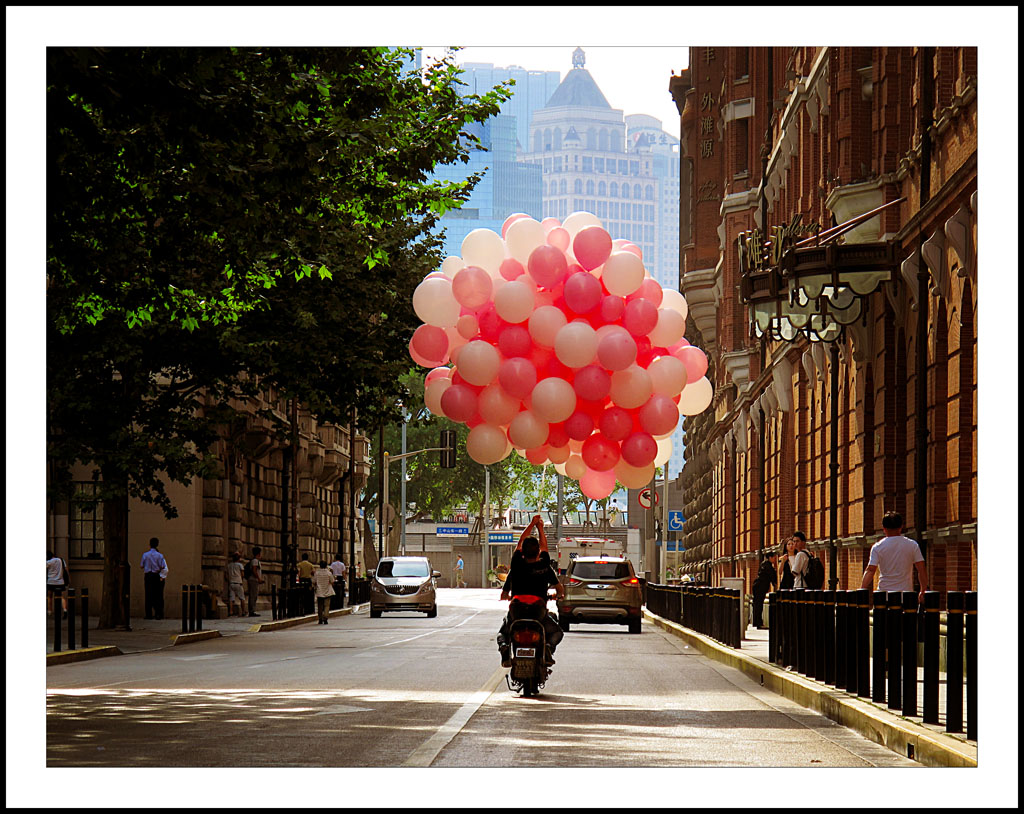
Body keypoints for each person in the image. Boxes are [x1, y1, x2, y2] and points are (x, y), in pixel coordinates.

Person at [497, 516, 564, 668]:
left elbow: (520, 541)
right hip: (537, 610)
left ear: (522, 552)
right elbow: (545, 546)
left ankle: (505, 649)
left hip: (517, 609)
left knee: (504, 632)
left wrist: (532, 524)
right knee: (556, 632)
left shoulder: (517, 564)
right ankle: (548, 648)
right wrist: (540, 528)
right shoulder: (544, 565)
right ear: (538, 552)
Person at [860, 511, 927, 603]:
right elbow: (921, 569)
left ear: (884, 528)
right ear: (901, 527)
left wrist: (862, 589)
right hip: (905, 595)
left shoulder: (878, 547)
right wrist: (923, 590)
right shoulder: (912, 545)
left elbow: (870, 570)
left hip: (884, 595)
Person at [141, 537, 168, 620]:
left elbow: (141, 566)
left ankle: (148, 614)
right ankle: (158, 614)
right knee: (158, 595)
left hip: (148, 576)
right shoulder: (160, 556)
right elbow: (162, 566)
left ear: (150, 544)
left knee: (148, 595)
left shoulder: (145, 555)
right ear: (157, 544)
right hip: (156, 576)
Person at [751, 548, 778, 629]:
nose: (775, 559)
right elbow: (772, 576)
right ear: (770, 557)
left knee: (757, 604)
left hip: (758, 587)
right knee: (758, 605)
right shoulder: (768, 566)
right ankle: (758, 622)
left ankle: (756, 621)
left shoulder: (764, 564)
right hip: (760, 587)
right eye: (774, 558)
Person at [46, 550, 68, 618]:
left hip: (51, 582)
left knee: (50, 597)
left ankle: (49, 612)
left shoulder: (48, 562)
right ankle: (65, 610)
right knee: (61, 597)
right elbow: (66, 569)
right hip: (60, 582)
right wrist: (68, 578)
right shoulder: (61, 560)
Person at [313, 560, 336, 624]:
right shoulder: (328, 573)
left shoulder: (317, 573)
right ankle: (325, 617)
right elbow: (332, 581)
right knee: (326, 606)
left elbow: (314, 581)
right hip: (327, 591)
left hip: (319, 591)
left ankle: (320, 619)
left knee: (320, 606)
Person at [225, 551, 247, 617]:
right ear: (239, 558)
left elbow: (226, 575)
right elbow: (242, 574)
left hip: (231, 583)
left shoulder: (229, 565)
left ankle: (231, 611)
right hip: (238, 583)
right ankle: (243, 611)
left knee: (231, 598)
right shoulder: (240, 565)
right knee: (242, 598)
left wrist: (229, 580)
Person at [246, 546, 263, 617]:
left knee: (254, 595)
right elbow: (254, 570)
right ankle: (251, 611)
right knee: (253, 595)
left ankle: (252, 610)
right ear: (258, 553)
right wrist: (259, 579)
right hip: (253, 580)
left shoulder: (255, 561)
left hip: (253, 580)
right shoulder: (255, 561)